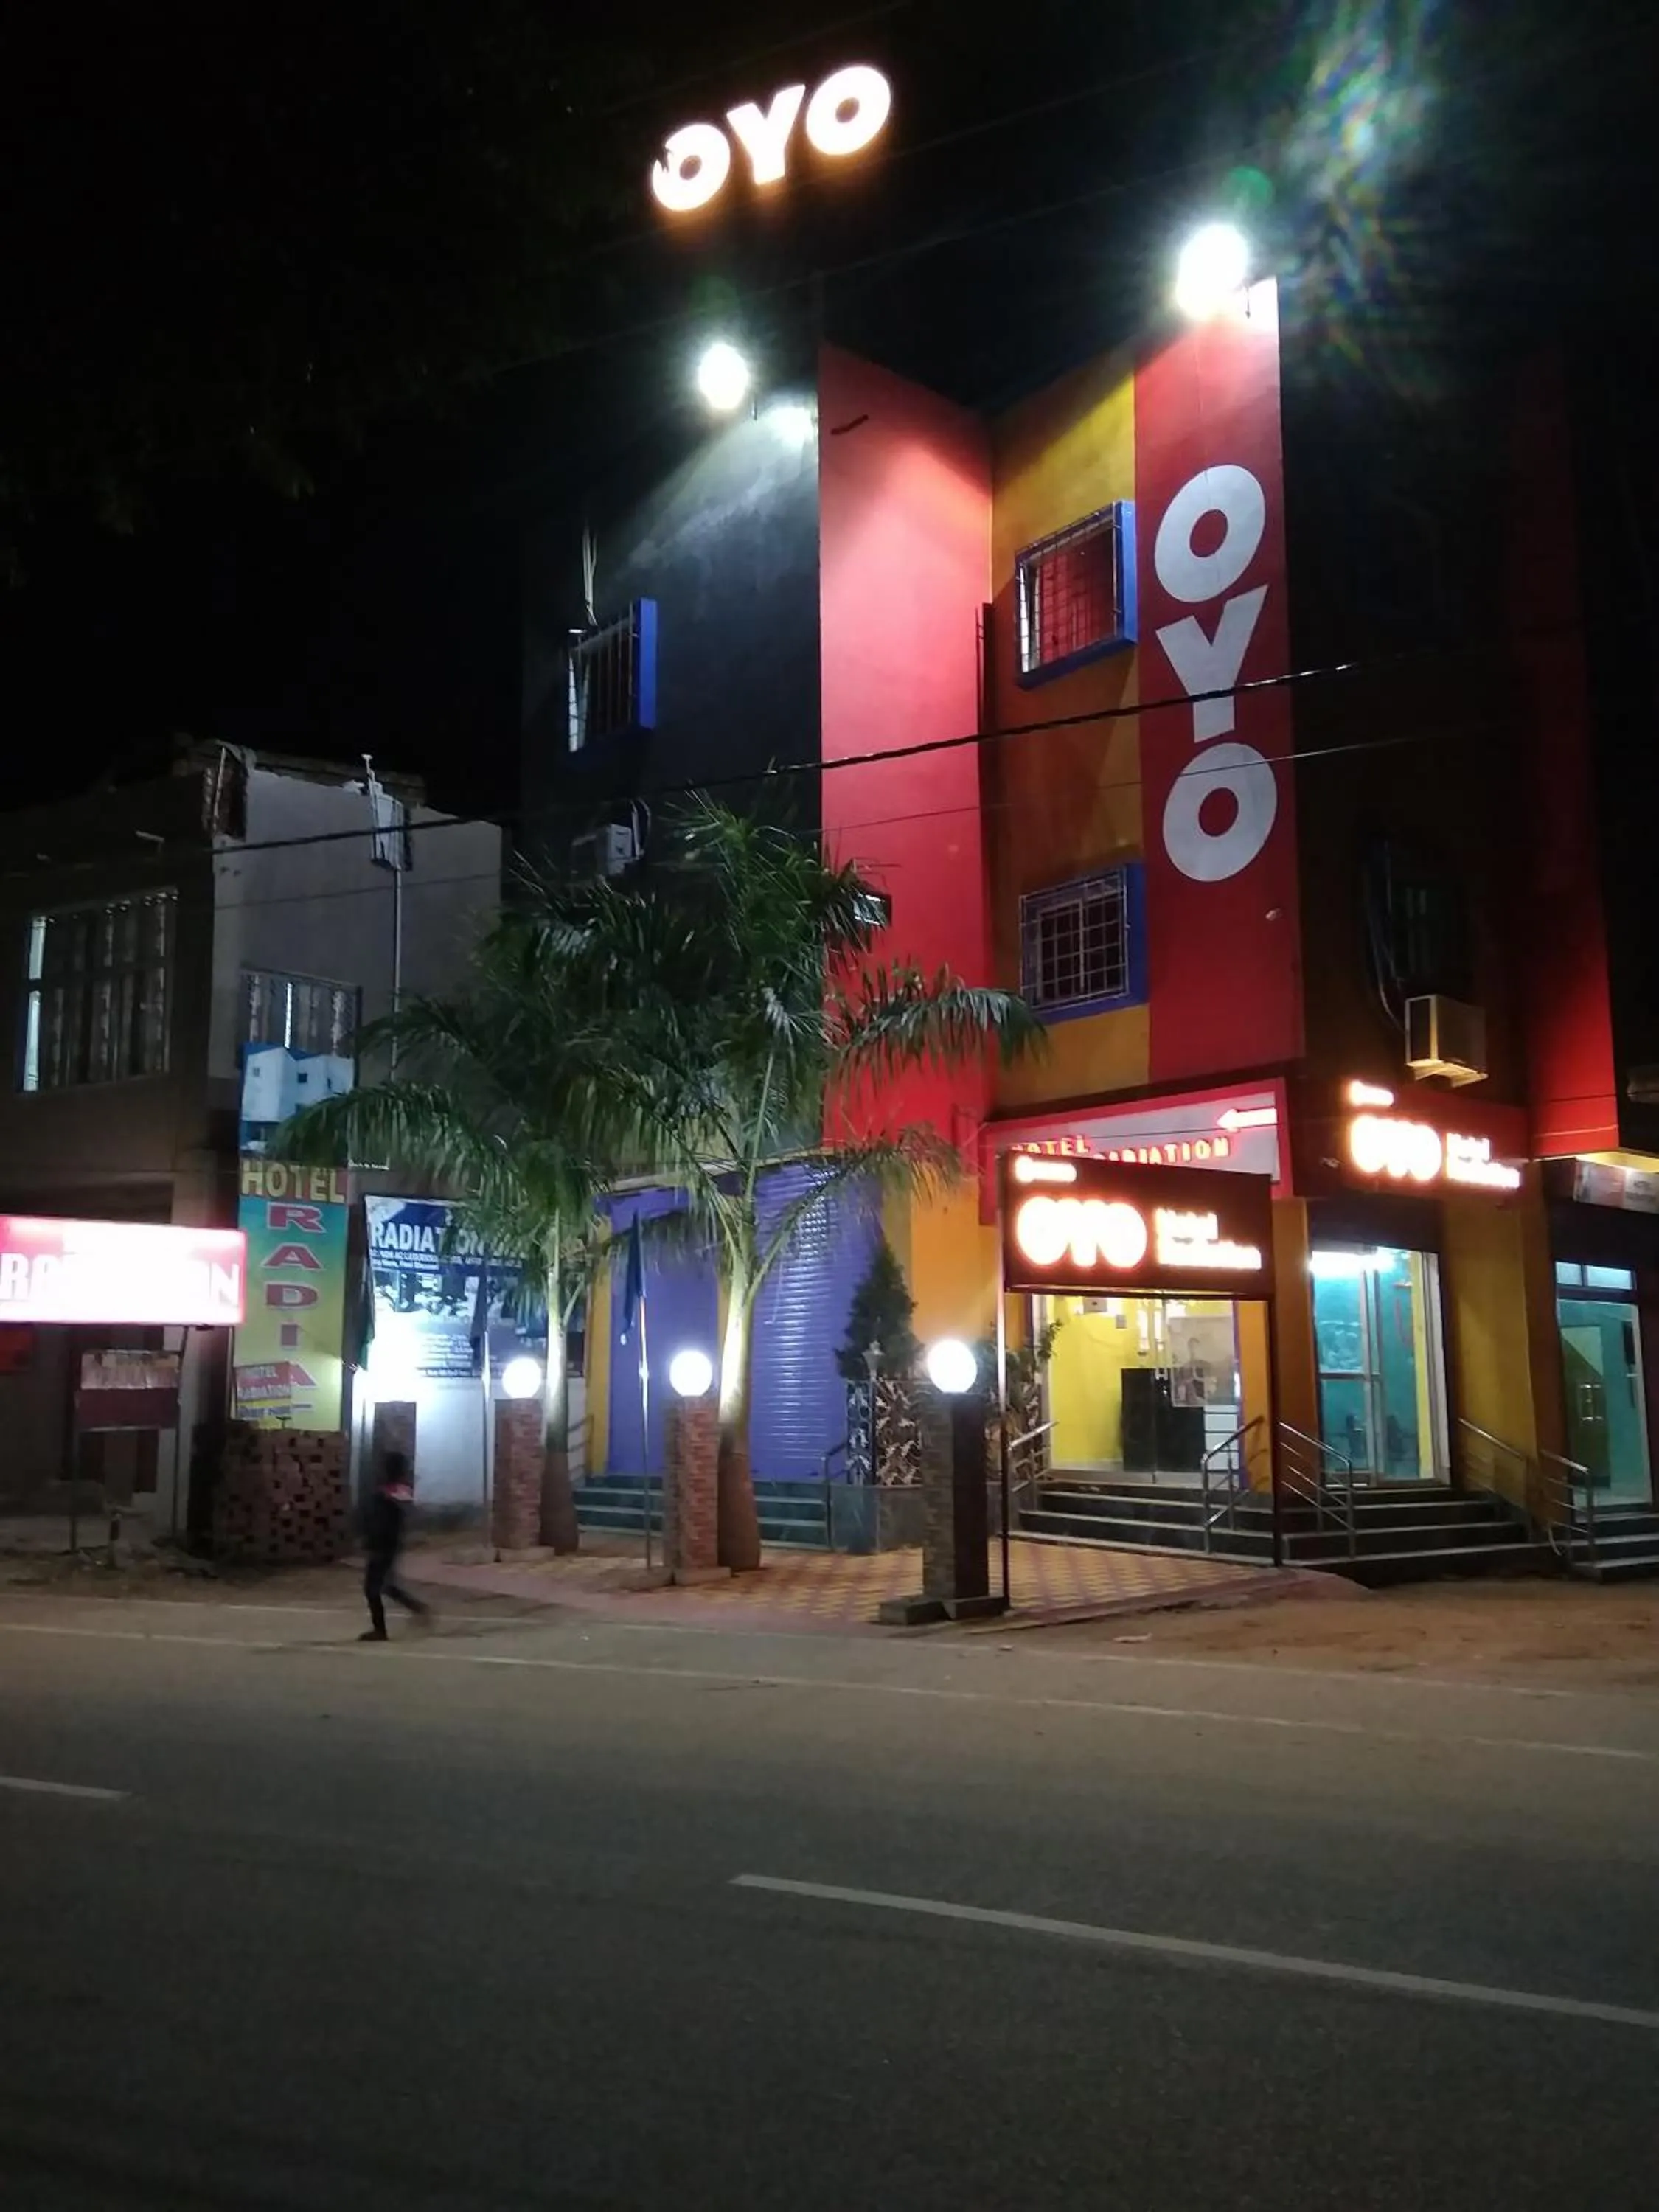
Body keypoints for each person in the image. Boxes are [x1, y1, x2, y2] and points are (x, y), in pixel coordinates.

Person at [359, 1450, 433, 1642]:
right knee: (385, 1585)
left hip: (382, 1544)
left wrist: (370, 1539)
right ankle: (417, 1608)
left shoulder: (385, 1493)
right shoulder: (400, 1492)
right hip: (391, 1543)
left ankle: (380, 1630)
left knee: (372, 1588)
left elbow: (379, 1520)